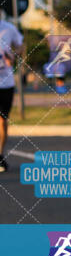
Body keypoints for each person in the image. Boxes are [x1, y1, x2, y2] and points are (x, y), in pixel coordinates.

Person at [0, 17, 24, 172]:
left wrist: (13, 55)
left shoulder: (9, 28)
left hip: (6, 83)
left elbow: (20, 47)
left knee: (2, 121)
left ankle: (0, 155)